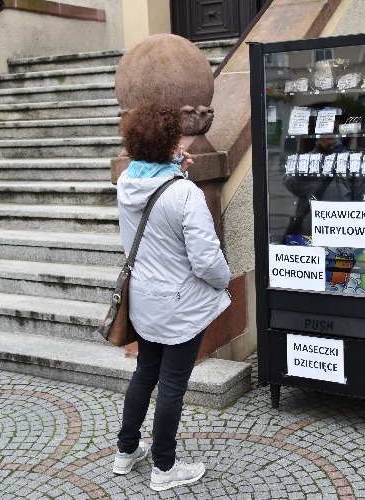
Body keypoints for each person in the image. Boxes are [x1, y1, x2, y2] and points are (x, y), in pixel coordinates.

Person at [112, 102, 231, 492]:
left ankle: (126, 451)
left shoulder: (127, 182)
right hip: (180, 306)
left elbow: (155, 191)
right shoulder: (184, 194)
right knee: (172, 386)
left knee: (145, 373)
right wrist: (224, 281)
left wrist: (175, 167)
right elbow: (206, 260)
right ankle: (164, 467)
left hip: (145, 302)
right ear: (169, 142)